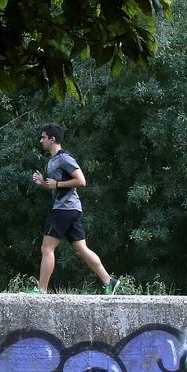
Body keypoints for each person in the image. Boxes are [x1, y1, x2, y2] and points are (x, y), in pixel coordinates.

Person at [29, 123, 121, 295]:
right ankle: (109, 281)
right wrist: (43, 183)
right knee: (81, 249)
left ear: (52, 139)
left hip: (64, 209)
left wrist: (57, 184)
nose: (40, 140)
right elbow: (56, 187)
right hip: (71, 208)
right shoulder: (52, 161)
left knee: (46, 249)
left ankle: (41, 290)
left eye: (43, 137)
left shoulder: (64, 158)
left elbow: (81, 180)